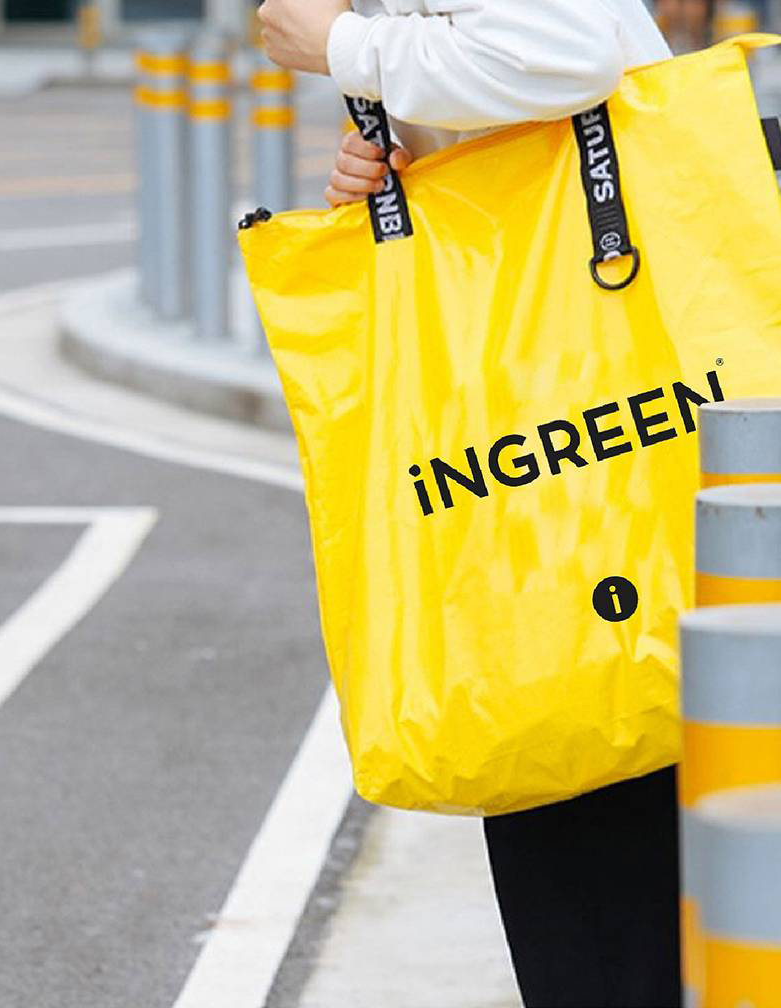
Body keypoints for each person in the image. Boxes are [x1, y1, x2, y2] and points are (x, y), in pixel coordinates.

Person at [255, 1, 682, 1005]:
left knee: (610, 769)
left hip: (590, 376)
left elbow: (567, 51)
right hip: (552, 386)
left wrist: (345, 48)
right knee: (561, 733)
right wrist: (388, 167)